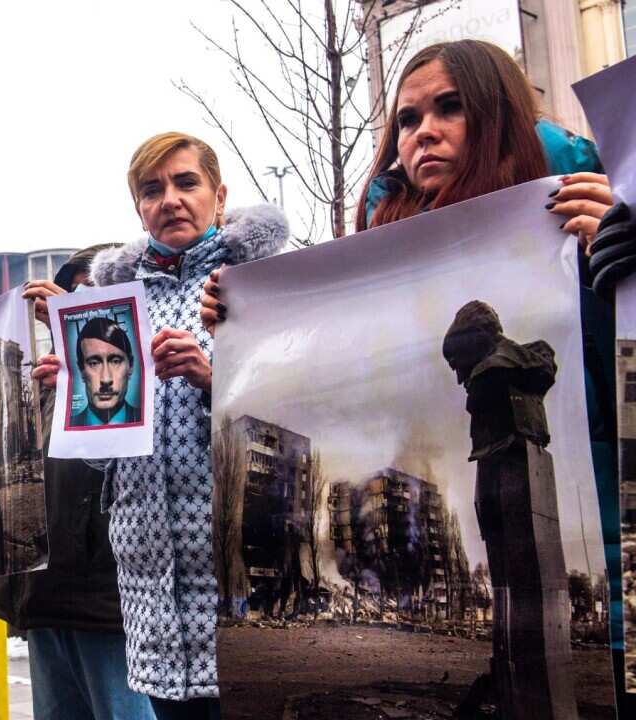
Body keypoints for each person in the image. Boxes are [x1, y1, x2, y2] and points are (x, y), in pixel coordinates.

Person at [325, 39, 628, 711]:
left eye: (450, 109)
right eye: (407, 119)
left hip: (610, 572)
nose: (424, 131)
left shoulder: (590, 213)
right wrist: (228, 355)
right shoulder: (384, 262)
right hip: (475, 520)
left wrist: (625, 268)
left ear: (494, 117)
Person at [55, 130, 287, 719]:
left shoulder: (263, 282)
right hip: (147, 573)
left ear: (219, 194)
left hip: (230, 569)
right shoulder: (113, 303)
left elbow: (296, 416)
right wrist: (76, 401)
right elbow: (106, 459)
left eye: (187, 182)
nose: (170, 200)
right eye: (152, 190)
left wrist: (214, 379)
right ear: (138, 207)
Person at [0, 245, 157, 720]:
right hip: (47, 598)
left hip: (108, 604)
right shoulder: (45, 383)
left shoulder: (133, 378)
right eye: (75, 297)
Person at [71, 317, 139, 426]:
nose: (106, 379)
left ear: (130, 365)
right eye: (94, 363)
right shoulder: (63, 426)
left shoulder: (153, 420)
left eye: (116, 361)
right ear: (81, 370)